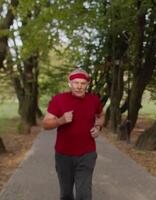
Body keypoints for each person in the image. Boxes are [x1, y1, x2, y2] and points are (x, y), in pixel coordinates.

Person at [42, 68, 104, 200]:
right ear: (69, 83)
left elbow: (101, 116)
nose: (79, 86)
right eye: (76, 82)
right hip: (64, 155)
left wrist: (98, 127)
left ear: (87, 84)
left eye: (82, 83)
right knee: (66, 194)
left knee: (84, 195)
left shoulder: (94, 100)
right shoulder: (59, 100)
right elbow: (46, 124)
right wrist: (61, 120)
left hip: (87, 154)